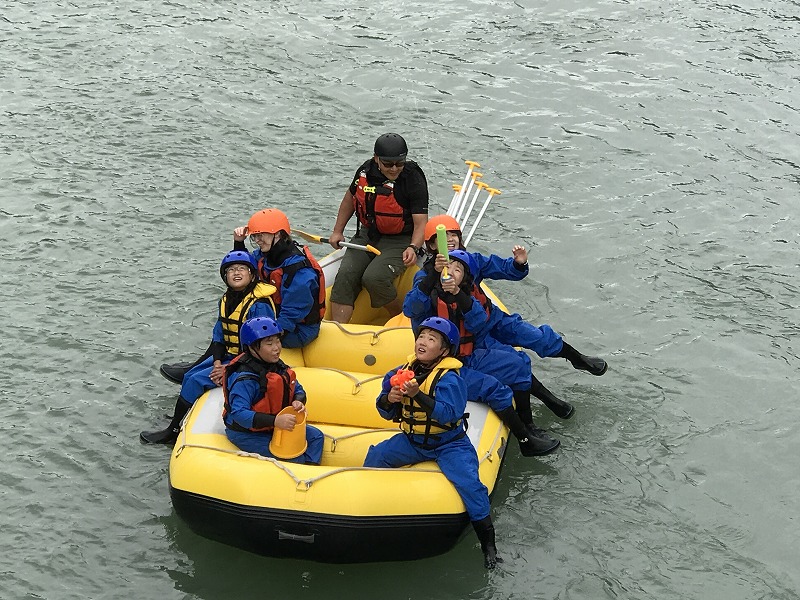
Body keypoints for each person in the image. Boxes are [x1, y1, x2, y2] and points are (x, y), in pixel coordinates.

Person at [414, 216, 608, 418]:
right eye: (443, 238)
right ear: (432, 245)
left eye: (454, 235)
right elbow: (417, 313)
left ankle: (577, 359)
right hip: (472, 333)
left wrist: (518, 264)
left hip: (492, 318)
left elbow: (499, 267)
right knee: (516, 362)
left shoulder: (471, 261)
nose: (450, 240)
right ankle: (549, 400)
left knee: (536, 336)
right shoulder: (426, 278)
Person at [363, 317, 501, 569]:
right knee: (376, 457)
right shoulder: (399, 373)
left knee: (471, 485)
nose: (423, 342)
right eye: (421, 336)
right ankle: (370, 513)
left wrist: (417, 395)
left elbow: (448, 414)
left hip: (449, 444)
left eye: (431, 339)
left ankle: (489, 545)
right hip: (413, 441)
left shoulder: (450, 379)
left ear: (444, 350)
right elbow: (384, 411)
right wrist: (389, 399)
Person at [141, 251, 277, 444]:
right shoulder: (227, 300)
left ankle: (172, 432)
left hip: (252, 363)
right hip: (232, 358)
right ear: (225, 277)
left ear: (252, 275)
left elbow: (261, 347)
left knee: (195, 380)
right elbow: (219, 338)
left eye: (241, 269)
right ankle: (175, 422)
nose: (235, 273)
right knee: (189, 376)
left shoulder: (259, 305)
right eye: (230, 270)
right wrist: (218, 363)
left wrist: (228, 369)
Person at [327, 133, 429, 323]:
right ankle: (337, 328)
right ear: (377, 159)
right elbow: (350, 198)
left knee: (374, 278)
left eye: (399, 163)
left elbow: (421, 222)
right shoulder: (365, 171)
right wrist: (337, 231)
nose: (394, 168)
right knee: (346, 275)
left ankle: (402, 318)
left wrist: (414, 247)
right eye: (388, 163)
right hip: (369, 233)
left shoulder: (412, 178)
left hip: (401, 238)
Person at [222, 316, 324, 464]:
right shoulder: (244, 378)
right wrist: (275, 421)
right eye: (269, 343)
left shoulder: (275, 365)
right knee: (294, 458)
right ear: (252, 347)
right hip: (247, 433)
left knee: (316, 437)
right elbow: (239, 413)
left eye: (277, 341)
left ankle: (310, 473)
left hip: (274, 425)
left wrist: (298, 400)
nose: (276, 348)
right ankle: (303, 477)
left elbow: (297, 387)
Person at [233, 208, 325, 348]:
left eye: (261, 235)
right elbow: (241, 269)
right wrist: (239, 243)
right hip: (275, 316)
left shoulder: (299, 271)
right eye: (254, 236)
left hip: (299, 330)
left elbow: (291, 315)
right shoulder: (266, 255)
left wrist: (260, 337)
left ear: (278, 234)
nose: (257, 240)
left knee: (258, 309)